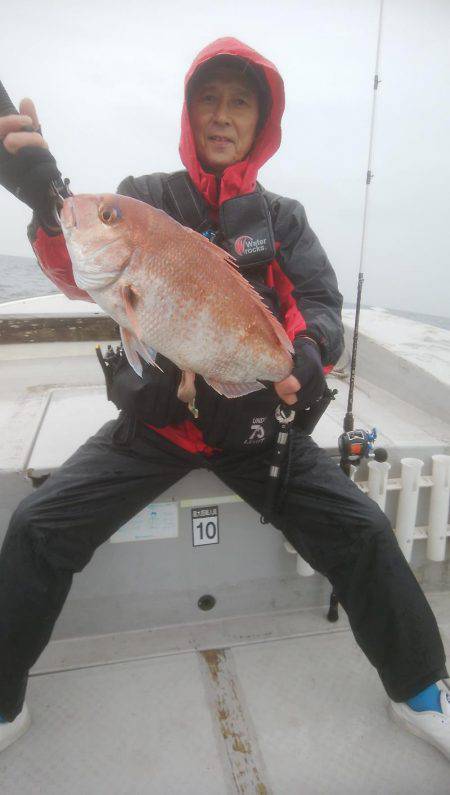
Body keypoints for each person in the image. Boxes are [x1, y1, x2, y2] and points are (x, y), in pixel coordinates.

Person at [0, 37, 449, 762]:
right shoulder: (142, 198)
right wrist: (46, 210)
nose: (222, 114)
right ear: (188, 109)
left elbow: (320, 305)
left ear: (261, 121)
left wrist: (306, 352)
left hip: (256, 430)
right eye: (209, 97)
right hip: (158, 428)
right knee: (37, 526)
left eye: (240, 101)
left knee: (363, 533)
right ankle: (1, 706)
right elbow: (81, 270)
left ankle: (423, 691)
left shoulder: (285, 218)